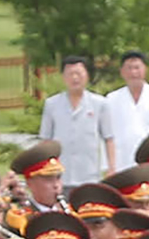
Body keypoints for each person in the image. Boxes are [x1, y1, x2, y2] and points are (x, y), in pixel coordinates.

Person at [39, 58, 118, 190]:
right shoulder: (52, 104)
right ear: (63, 77)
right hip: (60, 175)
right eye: (70, 74)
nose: (75, 78)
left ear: (87, 76)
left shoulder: (100, 103)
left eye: (79, 74)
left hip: (90, 175)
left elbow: (109, 138)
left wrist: (111, 168)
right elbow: (45, 140)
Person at [107, 51, 149, 158]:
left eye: (137, 67)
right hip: (121, 159)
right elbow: (107, 135)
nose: (133, 72)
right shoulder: (111, 99)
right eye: (129, 68)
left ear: (145, 69)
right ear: (122, 72)